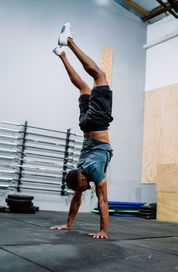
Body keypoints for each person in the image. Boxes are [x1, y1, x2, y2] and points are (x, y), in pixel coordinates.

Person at [50, 23, 113, 239]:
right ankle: (62, 54)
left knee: (99, 76)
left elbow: (103, 200)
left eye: (84, 187)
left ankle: (69, 42)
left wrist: (104, 230)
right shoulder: (79, 172)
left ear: (83, 180)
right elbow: (76, 198)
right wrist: (67, 225)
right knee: (84, 88)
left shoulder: (92, 173)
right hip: (85, 126)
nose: (85, 190)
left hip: (96, 124)